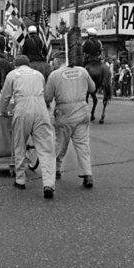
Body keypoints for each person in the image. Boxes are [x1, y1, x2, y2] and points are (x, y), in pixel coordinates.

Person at [0, 54, 56, 199]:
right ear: (28, 64)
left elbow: (5, 96)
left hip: (22, 108)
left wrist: (4, 110)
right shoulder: (38, 74)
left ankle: (20, 179)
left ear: (16, 65)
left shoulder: (12, 74)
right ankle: (48, 183)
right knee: (46, 148)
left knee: (20, 144)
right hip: (40, 108)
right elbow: (43, 92)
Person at [45, 51, 96, 189]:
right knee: (83, 144)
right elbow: (92, 88)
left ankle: (56, 169)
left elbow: (47, 97)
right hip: (82, 110)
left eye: (53, 61)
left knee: (60, 143)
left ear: (57, 61)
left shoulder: (54, 75)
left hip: (65, 112)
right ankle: (87, 174)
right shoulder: (83, 71)